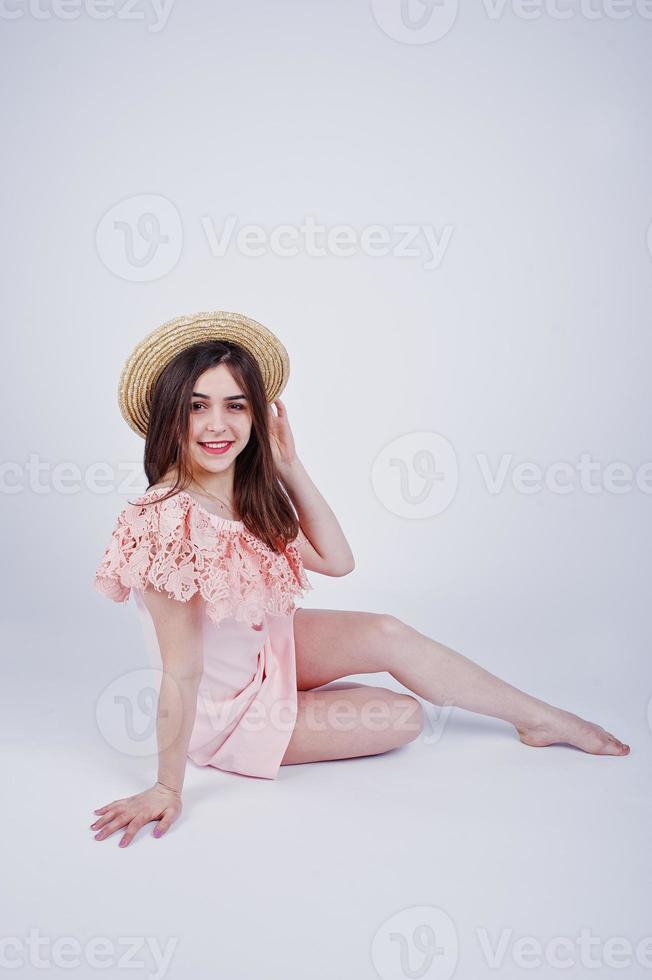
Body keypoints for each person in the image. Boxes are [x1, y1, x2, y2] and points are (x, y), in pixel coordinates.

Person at [90, 311, 630, 848]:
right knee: (404, 716)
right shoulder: (165, 520)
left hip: (266, 658)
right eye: (197, 407)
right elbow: (182, 672)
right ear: (168, 418)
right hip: (225, 714)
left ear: (257, 417)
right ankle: (306, 711)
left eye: (236, 406)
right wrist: (166, 785)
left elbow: (337, 559)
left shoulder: (242, 498)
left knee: (385, 632)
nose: (218, 425)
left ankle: (541, 719)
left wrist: (289, 466)